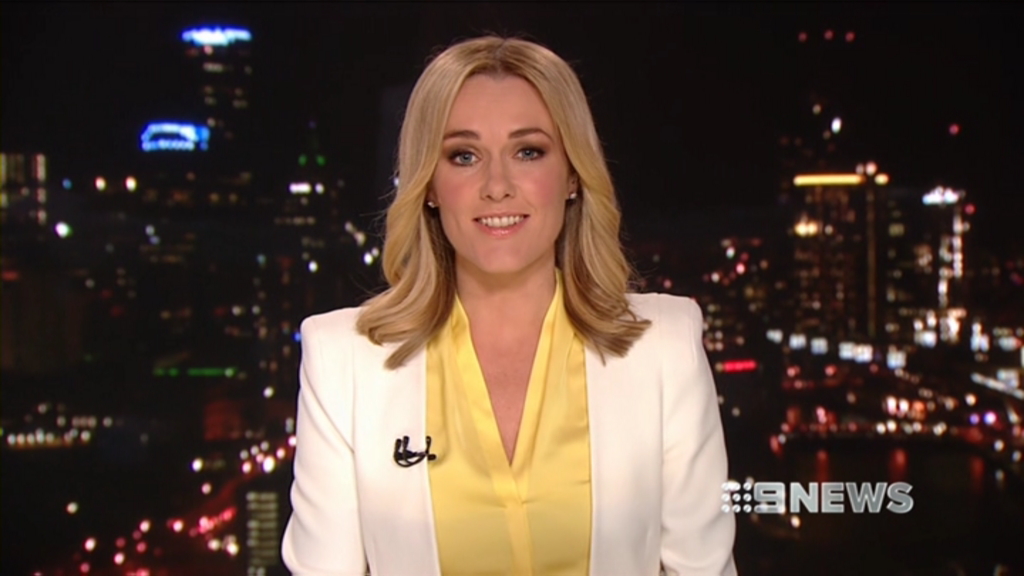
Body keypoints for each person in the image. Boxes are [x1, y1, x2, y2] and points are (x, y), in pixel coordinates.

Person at [281, 35, 737, 576]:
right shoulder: (344, 361)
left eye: (528, 152)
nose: (496, 186)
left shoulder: (664, 346)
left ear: (572, 175)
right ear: (430, 184)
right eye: (464, 156)